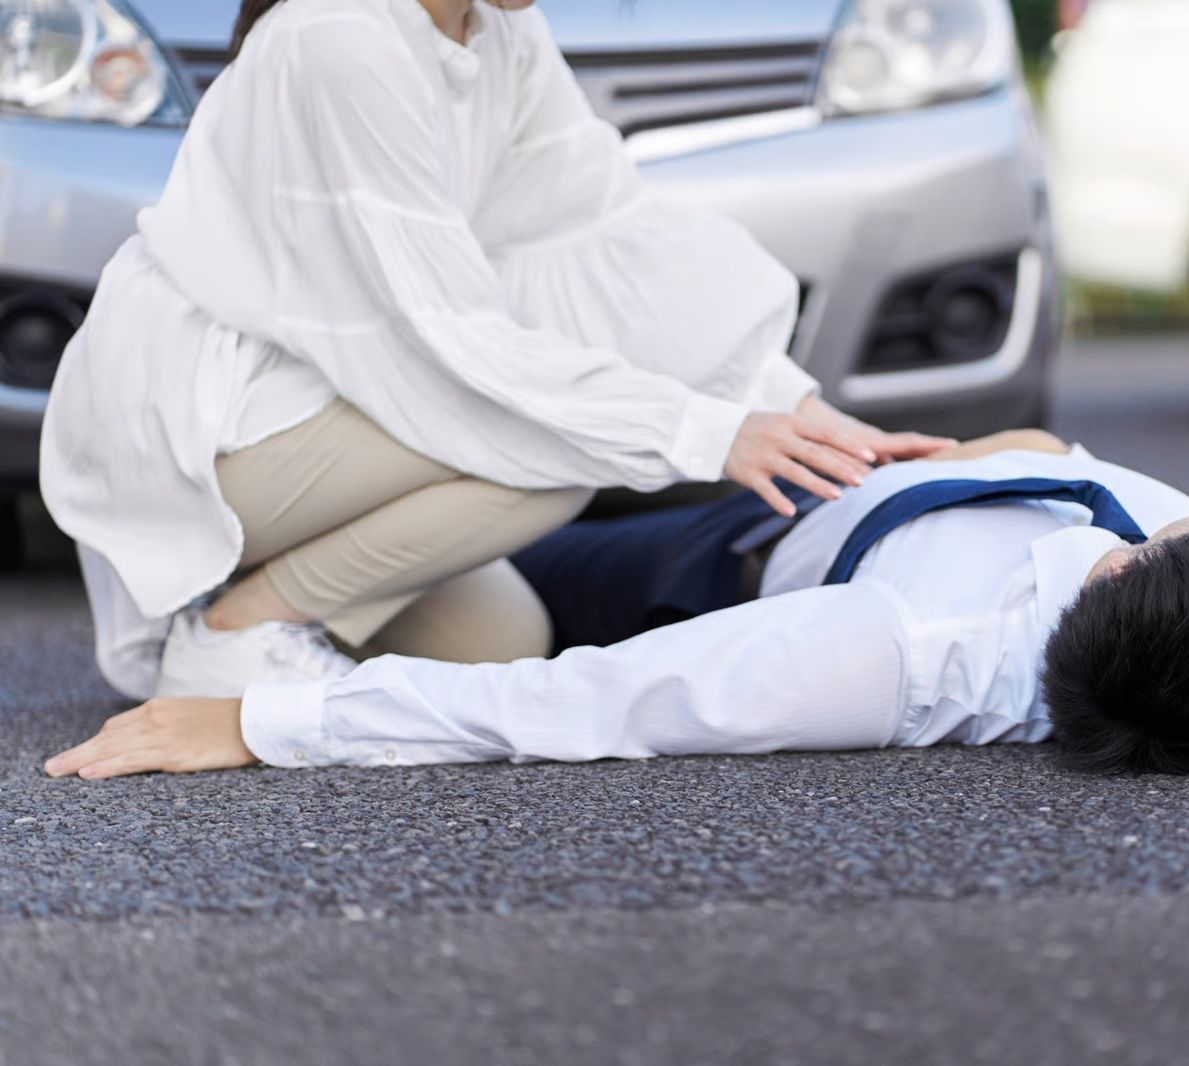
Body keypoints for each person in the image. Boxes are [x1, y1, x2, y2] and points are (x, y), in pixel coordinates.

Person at [38, 0, 948, 703]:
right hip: (213, 424)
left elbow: (601, 234)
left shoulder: (495, 31)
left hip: (328, 404)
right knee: (556, 449)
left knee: (499, 639)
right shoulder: (339, 38)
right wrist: (699, 428)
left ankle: (239, 614)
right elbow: (438, 338)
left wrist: (794, 410)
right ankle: (239, 623)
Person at [44, 432, 1189, 781]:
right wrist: (1004, 445)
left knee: (470, 545)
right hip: (840, 472)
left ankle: (205, 555)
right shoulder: (1188, 573)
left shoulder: (878, 658)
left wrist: (260, 722)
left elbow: (577, 704)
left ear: (1121, 583)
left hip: (713, 565)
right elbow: (1086, 475)